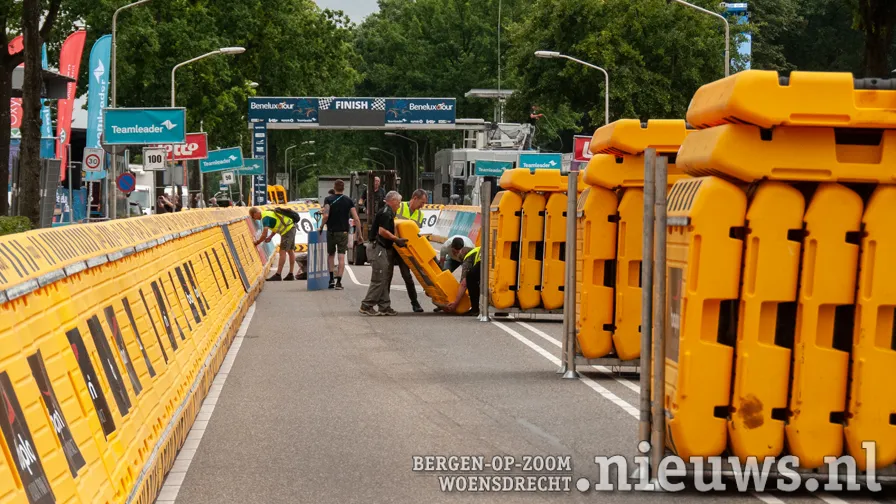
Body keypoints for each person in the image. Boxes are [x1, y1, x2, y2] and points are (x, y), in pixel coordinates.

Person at [359, 191, 407, 316]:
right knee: (379, 278)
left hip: (381, 248)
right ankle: (366, 305)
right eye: (398, 202)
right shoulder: (386, 213)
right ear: (393, 201)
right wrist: (396, 239)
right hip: (378, 248)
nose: (399, 205)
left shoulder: (388, 212)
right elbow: (382, 231)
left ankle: (384, 306)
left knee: (384, 277)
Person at [320, 179, 361, 290]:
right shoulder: (348, 200)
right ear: (343, 188)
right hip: (343, 232)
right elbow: (356, 218)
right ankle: (339, 282)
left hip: (331, 232)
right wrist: (360, 234)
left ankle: (331, 280)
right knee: (341, 256)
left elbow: (325, 216)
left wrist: (321, 227)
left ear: (334, 187)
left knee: (331, 255)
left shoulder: (328, 199)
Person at [394, 188, 428, 312]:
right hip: (392, 245)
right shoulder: (399, 207)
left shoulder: (420, 215)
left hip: (406, 249)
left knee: (407, 277)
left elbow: (417, 235)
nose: (422, 206)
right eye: (422, 203)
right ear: (415, 198)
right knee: (386, 276)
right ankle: (384, 304)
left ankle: (415, 303)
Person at [249, 207, 298, 281]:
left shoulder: (265, 218)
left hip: (287, 231)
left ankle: (278, 275)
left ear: (256, 213)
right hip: (291, 227)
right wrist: (270, 237)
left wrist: (257, 242)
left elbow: (264, 234)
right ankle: (290, 274)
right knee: (290, 251)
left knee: (282, 251)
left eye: (253, 217)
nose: (255, 219)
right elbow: (276, 225)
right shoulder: (267, 213)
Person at [444, 242, 480, 317]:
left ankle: (475, 309)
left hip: (485, 261)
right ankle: (501, 310)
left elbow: (464, 283)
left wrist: (456, 303)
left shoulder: (468, 258)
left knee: (470, 278)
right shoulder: (475, 250)